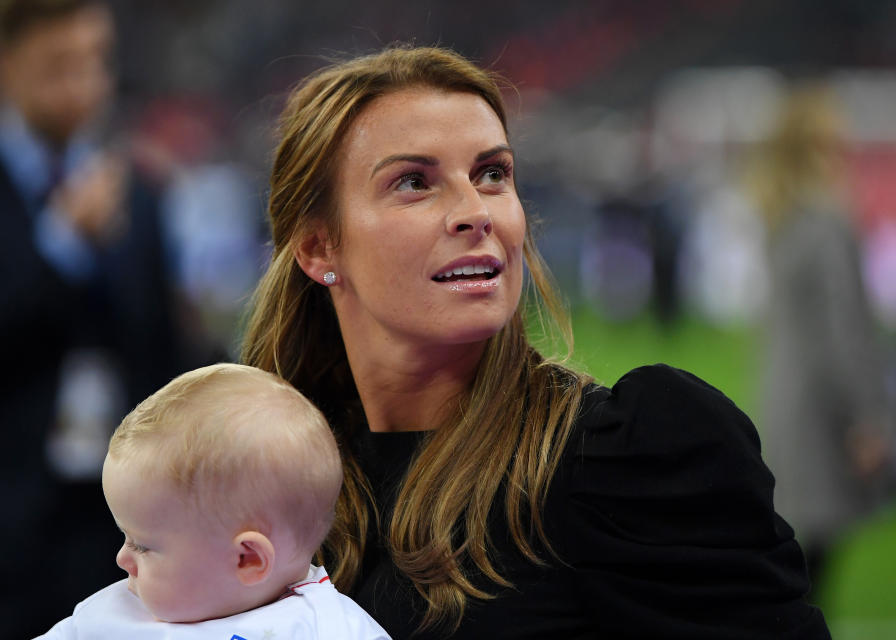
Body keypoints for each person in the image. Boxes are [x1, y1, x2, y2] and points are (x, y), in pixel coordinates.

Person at [240, 46, 831, 639]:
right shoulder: (251, 481)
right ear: (319, 248)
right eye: (414, 182)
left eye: (492, 174)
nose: (476, 212)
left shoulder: (634, 456)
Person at [0, 1, 180, 635]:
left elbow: (162, 349)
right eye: (59, 65)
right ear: (3, 70)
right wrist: (64, 245)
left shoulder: (141, 197)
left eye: (95, 62)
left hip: (115, 525)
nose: (83, 83)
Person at [36, 363, 391, 640]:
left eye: (143, 546)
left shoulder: (329, 629)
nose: (122, 559)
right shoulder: (113, 615)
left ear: (247, 558)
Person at [747, 84, 893, 594]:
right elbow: (844, 331)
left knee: (799, 551)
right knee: (813, 563)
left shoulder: (779, 217)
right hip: (825, 409)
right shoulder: (827, 222)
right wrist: (867, 417)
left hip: (785, 398)